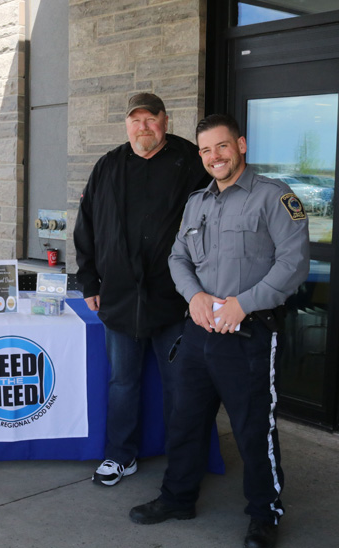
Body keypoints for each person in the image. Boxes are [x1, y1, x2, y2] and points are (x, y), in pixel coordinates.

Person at [129, 114, 309, 548]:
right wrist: (193, 297)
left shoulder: (274, 197)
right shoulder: (198, 202)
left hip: (248, 335)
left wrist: (243, 303)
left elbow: (294, 262)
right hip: (198, 332)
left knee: (253, 431)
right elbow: (178, 259)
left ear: (241, 145)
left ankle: (264, 516)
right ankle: (177, 497)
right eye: (206, 150)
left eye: (222, 147)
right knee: (185, 420)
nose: (214, 157)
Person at [73, 93, 210, 486]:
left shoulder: (190, 162)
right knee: (123, 383)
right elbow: (87, 227)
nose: (143, 127)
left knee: (179, 385)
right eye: (136, 120)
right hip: (118, 298)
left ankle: (183, 462)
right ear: (127, 125)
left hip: (174, 300)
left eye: (151, 119)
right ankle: (121, 456)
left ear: (165, 121)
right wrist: (89, 280)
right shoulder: (108, 166)